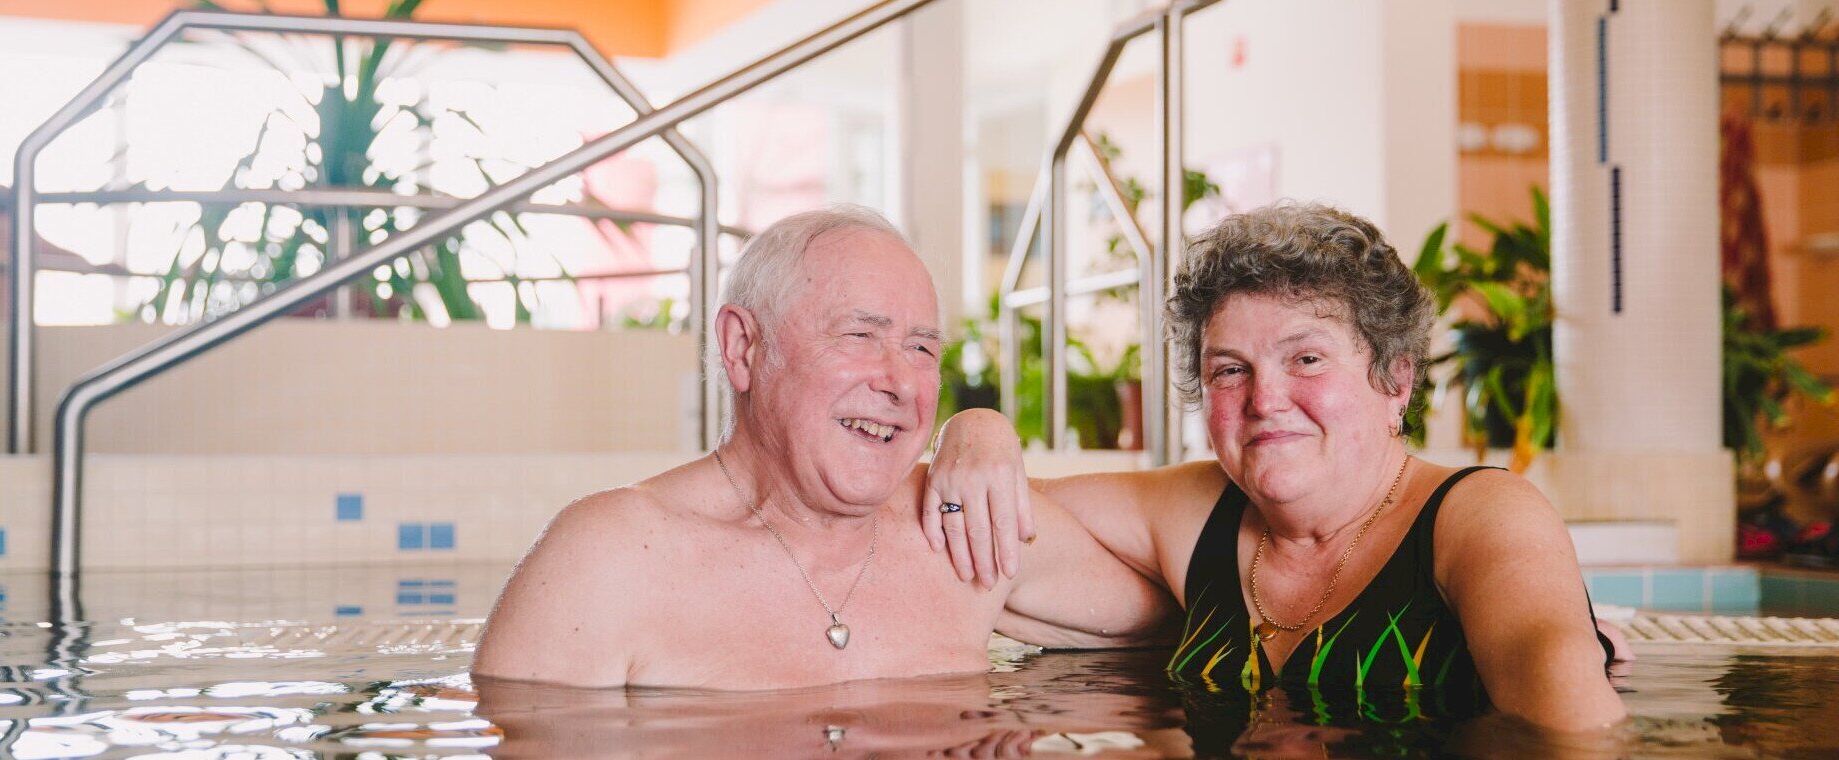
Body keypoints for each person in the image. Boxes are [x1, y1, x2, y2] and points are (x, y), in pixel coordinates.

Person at [923, 202, 1627, 730]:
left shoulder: (1482, 516)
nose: (1265, 400)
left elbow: (1574, 733)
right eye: (1230, 370)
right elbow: (978, 513)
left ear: (1396, 380)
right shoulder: (1198, 509)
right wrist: (975, 428)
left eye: (1307, 359)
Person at [472, 205, 1172, 689]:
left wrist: (980, 426)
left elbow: (1203, 611)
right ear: (742, 348)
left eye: (922, 349)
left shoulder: (960, 531)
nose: (901, 382)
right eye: (860, 335)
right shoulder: (607, 562)